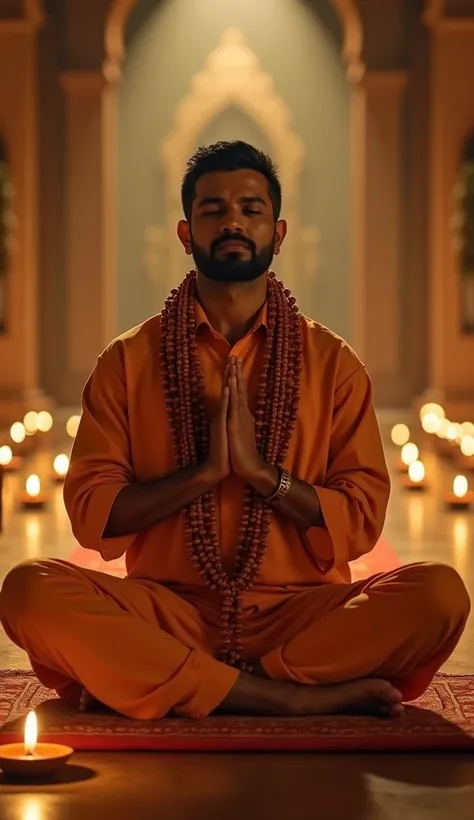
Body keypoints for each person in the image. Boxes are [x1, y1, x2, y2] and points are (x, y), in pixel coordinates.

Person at [0, 141, 470, 721]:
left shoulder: (332, 363)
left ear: (278, 230)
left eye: (250, 209)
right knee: (28, 590)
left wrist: (260, 475)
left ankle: (186, 682)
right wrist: (204, 474)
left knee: (440, 594)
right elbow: (95, 515)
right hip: (167, 611)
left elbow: (362, 519)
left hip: (300, 617)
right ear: (184, 231)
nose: (232, 222)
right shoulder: (128, 362)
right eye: (213, 209)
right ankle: (281, 696)